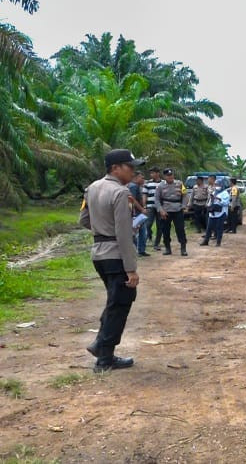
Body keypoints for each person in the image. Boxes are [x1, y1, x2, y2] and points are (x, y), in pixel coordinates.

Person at [79, 149, 144, 372]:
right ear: (115, 168)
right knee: (121, 303)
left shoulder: (92, 188)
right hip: (116, 254)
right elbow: (124, 234)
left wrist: (102, 229)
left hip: (99, 253)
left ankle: (101, 346)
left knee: (114, 301)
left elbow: (84, 220)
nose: (133, 171)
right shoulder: (120, 193)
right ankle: (104, 357)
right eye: (129, 166)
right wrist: (131, 269)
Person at [155, 168, 189, 257]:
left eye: (171, 175)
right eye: (168, 176)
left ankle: (183, 248)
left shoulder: (180, 184)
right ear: (164, 176)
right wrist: (160, 210)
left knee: (180, 229)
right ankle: (167, 248)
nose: (170, 177)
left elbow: (185, 195)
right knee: (165, 230)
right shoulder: (160, 186)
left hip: (178, 209)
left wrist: (184, 206)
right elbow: (157, 199)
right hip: (166, 211)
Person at [201, 179, 231, 247]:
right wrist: (208, 204)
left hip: (221, 213)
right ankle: (206, 241)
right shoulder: (214, 192)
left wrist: (219, 199)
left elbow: (226, 203)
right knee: (209, 227)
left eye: (218, 185)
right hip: (212, 213)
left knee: (219, 228)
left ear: (222, 185)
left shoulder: (225, 193)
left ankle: (218, 242)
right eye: (216, 184)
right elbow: (211, 200)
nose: (217, 186)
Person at [127, 171, 149, 257]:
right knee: (138, 232)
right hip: (136, 213)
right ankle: (137, 250)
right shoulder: (133, 186)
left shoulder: (137, 186)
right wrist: (141, 209)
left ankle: (141, 250)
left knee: (142, 232)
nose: (143, 179)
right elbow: (132, 200)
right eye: (141, 177)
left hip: (138, 212)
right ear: (136, 178)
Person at [142, 166, 162, 251]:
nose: (151, 174)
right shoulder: (147, 183)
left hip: (160, 207)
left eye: (153, 173)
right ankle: (146, 238)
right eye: (151, 173)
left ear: (157, 173)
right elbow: (144, 195)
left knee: (160, 225)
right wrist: (144, 206)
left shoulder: (163, 183)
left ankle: (156, 243)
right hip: (150, 206)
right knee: (148, 224)